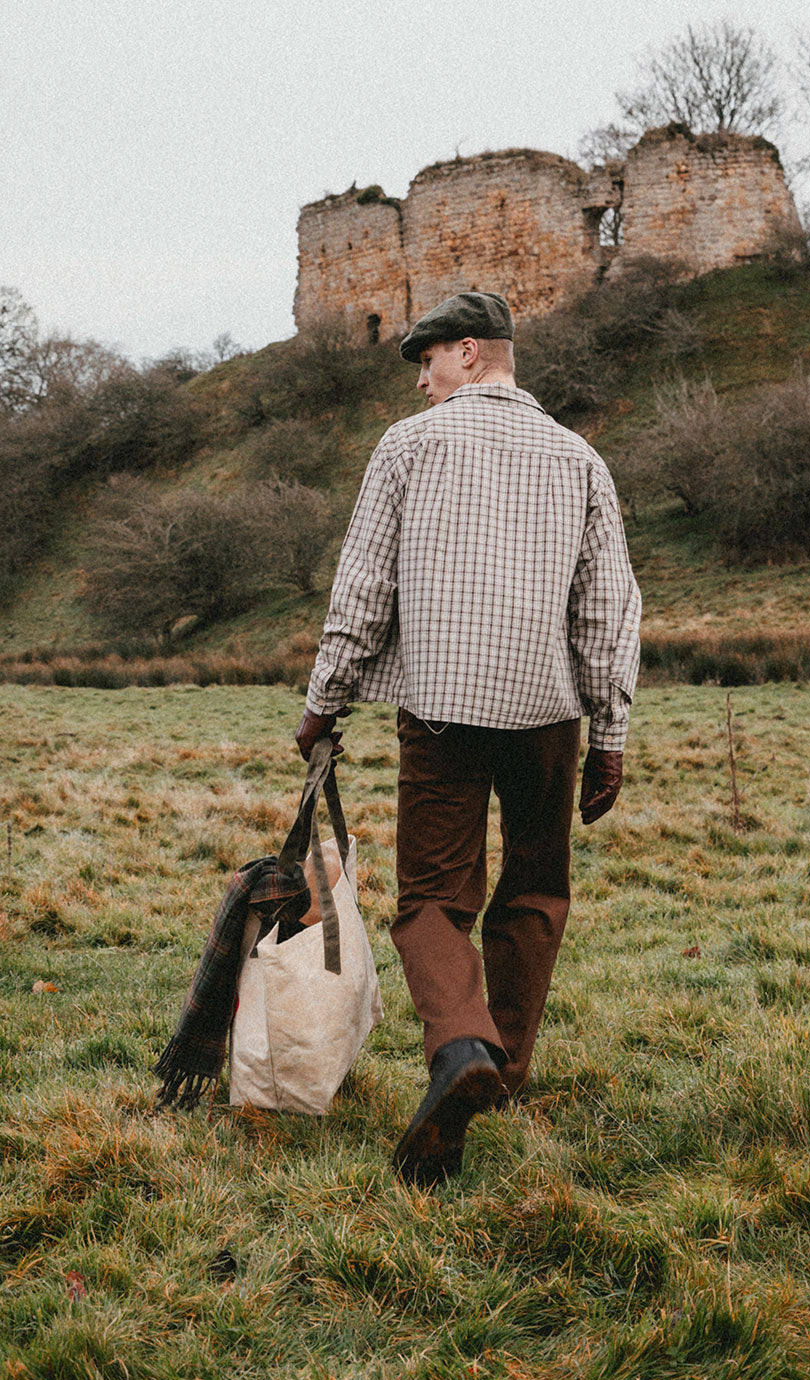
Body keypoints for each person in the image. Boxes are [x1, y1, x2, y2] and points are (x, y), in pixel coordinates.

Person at [295, 291, 640, 1185]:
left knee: (433, 900)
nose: (420, 382)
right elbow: (606, 609)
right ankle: (504, 1070)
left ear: (472, 353)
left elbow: (363, 584)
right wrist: (611, 734)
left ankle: (459, 1051)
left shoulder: (409, 446)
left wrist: (324, 700)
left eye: (428, 362)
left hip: (442, 710)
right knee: (534, 887)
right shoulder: (581, 459)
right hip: (549, 714)